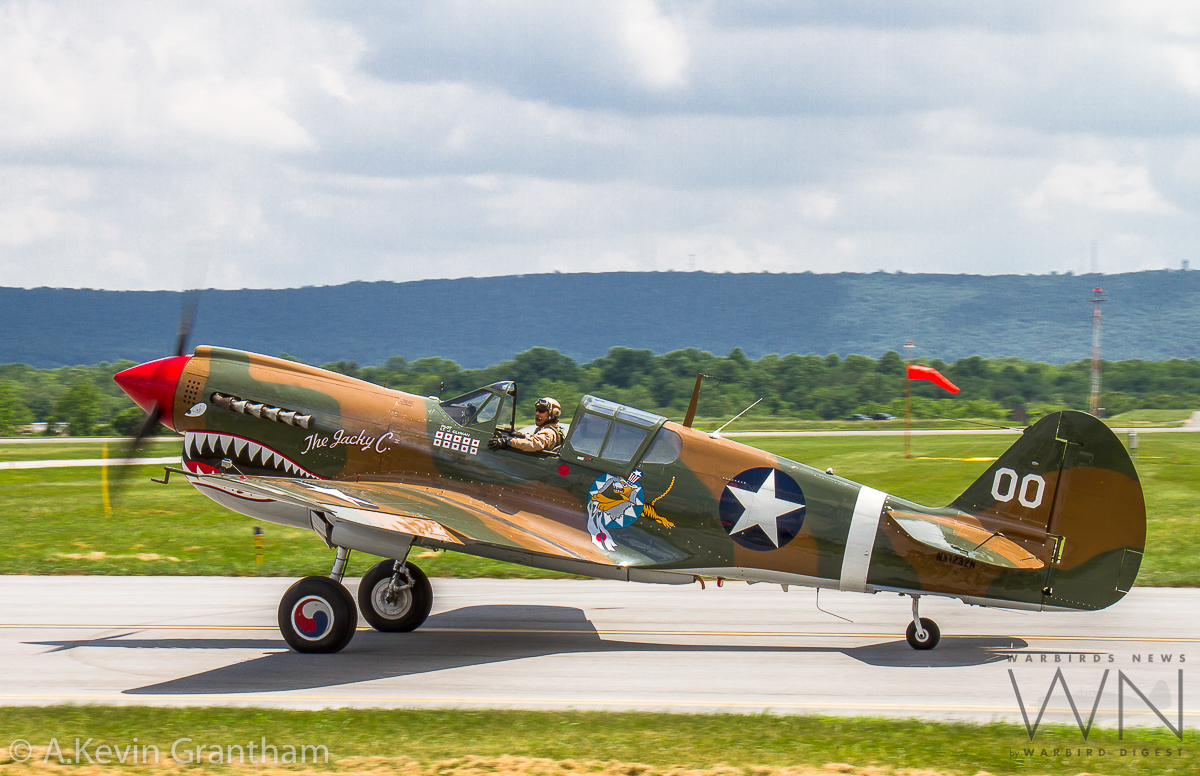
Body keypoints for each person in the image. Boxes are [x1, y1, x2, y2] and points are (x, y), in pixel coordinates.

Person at [489, 397, 564, 452]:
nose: (537, 413)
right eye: (537, 410)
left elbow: (534, 444)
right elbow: (536, 438)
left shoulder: (549, 432)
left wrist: (509, 441)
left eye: (541, 410)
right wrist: (522, 436)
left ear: (553, 414)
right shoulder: (553, 430)